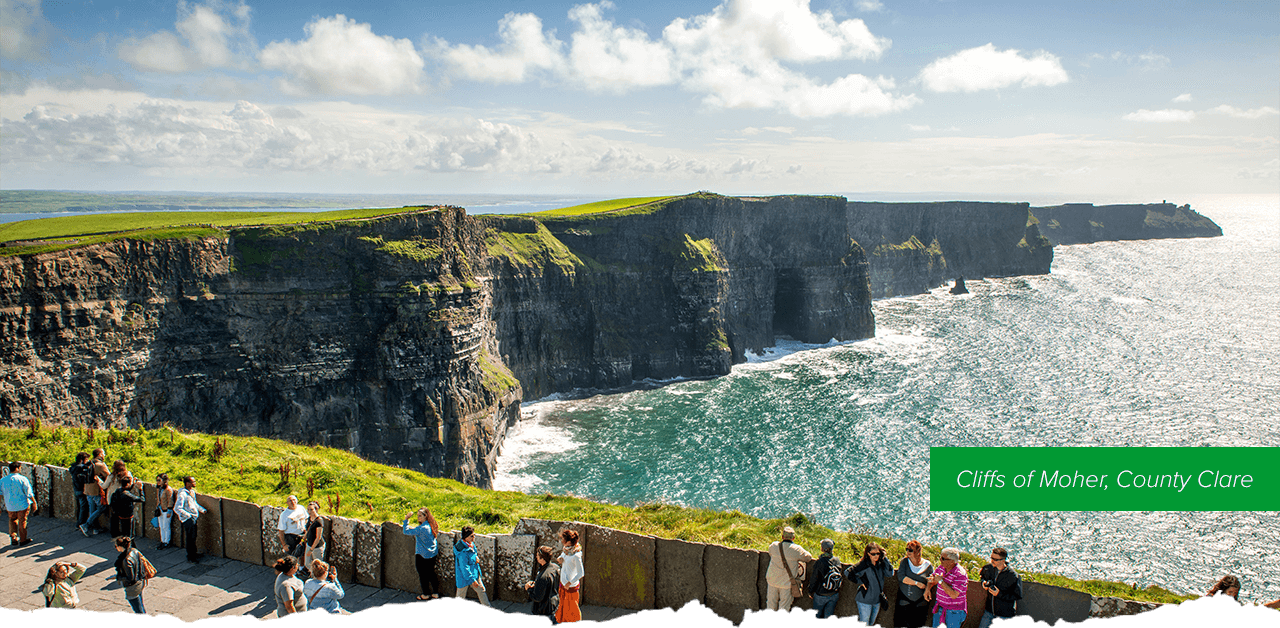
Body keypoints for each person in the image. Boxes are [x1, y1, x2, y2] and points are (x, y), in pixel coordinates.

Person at [765, 526, 812, 611]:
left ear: (782, 537)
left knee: (771, 604)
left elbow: (770, 552)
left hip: (772, 580)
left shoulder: (773, 546)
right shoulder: (796, 549)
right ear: (793, 538)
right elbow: (808, 558)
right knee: (784, 607)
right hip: (786, 583)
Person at [849, 541, 894, 626]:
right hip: (864, 600)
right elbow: (848, 573)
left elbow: (890, 573)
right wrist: (861, 582)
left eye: (878, 553)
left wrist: (885, 558)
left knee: (872, 622)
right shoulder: (863, 565)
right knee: (865, 623)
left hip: (877, 600)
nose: (876, 556)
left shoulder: (881, 564)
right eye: (873, 554)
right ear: (868, 554)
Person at [977, 547, 1023, 628]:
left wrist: (999, 594)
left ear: (1003, 560)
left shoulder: (1013, 575)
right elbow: (982, 576)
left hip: (1004, 614)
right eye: (991, 558)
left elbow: (1017, 595)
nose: (992, 561)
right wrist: (983, 583)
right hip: (989, 611)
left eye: (995, 559)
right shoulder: (988, 568)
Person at [402, 507, 440, 600]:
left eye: (420, 516)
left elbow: (406, 531)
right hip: (433, 553)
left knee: (423, 575)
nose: (418, 518)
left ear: (425, 516)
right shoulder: (432, 525)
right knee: (431, 573)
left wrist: (406, 519)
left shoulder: (421, 529)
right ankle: (435, 592)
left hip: (422, 555)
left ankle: (426, 594)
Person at [895, 540, 934, 627]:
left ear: (918, 552)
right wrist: (917, 583)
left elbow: (931, 579)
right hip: (904, 600)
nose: (908, 552)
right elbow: (901, 577)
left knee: (917, 625)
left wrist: (927, 589)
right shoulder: (904, 562)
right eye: (907, 549)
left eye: (911, 550)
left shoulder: (927, 565)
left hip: (920, 602)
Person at [927, 547, 968, 628]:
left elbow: (954, 595)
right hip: (940, 607)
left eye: (943, 558)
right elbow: (933, 577)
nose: (940, 560)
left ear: (952, 561)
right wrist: (927, 589)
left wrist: (941, 582)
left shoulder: (960, 574)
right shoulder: (942, 567)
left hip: (954, 611)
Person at [453, 526, 492, 607]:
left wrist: (475, 558)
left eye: (474, 535)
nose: (474, 537)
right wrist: (472, 580)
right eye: (471, 536)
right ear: (465, 537)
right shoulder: (463, 552)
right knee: (461, 596)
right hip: (465, 576)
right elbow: (464, 568)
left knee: (481, 590)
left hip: (474, 573)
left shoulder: (471, 544)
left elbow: (472, 555)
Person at [2, 461, 36, 546]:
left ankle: (13, 537)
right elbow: (29, 493)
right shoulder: (23, 479)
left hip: (10, 505)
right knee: (22, 521)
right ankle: (23, 539)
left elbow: (0, 493)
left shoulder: (3, 480)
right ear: (17, 468)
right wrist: (34, 502)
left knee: (12, 519)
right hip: (22, 504)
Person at [807, 538, 843, 619]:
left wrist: (810, 591)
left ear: (822, 549)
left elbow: (814, 579)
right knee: (828, 616)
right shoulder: (837, 560)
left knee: (817, 615)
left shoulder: (820, 562)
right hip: (834, 594)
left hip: (821, 594)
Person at [112, 536, 149, 614]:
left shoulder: (126, 560)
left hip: (133, 587)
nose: (116, 548)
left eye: (116, 546)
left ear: (119, 546)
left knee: (138, 610)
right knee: (141, 605)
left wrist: (118, 577)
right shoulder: (134, 551)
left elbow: (130, 578)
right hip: (140, 581)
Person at [174, 476, 207, 563]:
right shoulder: (182, 494)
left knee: (193, 537)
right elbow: (177, 508)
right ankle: (191, 556)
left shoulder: (191, 492)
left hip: (193, 517)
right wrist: (188, 516)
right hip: (188, 520)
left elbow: (194, 504)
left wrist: (202, 510)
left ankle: (194, 553)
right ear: (187, 483)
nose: (195, 483)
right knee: (190, 538)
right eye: (193, 482)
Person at [80, 448, 110, 536]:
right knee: (102, 508)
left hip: (87, 490)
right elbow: (109, 476)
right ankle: (86, 525)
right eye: (103, 453)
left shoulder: (88, 463)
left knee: (92, 509)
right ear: (100, 454)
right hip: (97, 491)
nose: (104, 455)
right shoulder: (100, 465)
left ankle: (95, 529)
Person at [556, 528, 584, 623]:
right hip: (563, 584)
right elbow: (563, 555)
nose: (561, 541)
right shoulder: (566, 550)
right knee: (562, 607)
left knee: (572, 610)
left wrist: (569, 582)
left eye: (563, 539)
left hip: (570, 586)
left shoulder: (576, 556)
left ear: (568, 541)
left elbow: (581, 573)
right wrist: (560, 558)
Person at [525, 545, 560, 618]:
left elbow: (537, 597)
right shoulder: (555, 567)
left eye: (537, 555)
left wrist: (528, 589)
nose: (536, 557)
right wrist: (537, 585)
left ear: (542, 558)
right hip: (553, 605)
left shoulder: (543, 577)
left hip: (543, 610)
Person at [69, 452, 92, 531]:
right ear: (82, 460)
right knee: (83, 508)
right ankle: (80, 524)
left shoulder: (73, 467)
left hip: (76, 489)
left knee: (80, 507)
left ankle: (79, 522)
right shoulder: (80, 468)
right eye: (86, 459)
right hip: (81, 490)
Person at [303, 500, 325, 576]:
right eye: (308, 509)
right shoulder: (309, 519)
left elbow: (318, 537)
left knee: (318, 565)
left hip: (317, 547)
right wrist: (303, 539)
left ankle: (319, 577)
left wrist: (311, 550)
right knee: (307, 563)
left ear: (316, 509)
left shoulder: (319, 521)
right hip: (309, 544)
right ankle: (313, 575)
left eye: (311, 509)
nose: (309, 511)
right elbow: (308, 530)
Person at [155, 474, 176, 549]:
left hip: (166, 510)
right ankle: (162, 540)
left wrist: (169, 511)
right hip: (160, 509)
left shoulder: (168, 489)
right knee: (161, 526)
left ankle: (167, 541)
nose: (157, 482)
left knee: (166, 526)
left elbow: (170, 501)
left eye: (159, 480)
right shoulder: (160, 488)